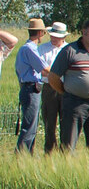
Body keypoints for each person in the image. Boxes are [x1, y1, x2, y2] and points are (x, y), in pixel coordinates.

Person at [48, 18, 89, 154]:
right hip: (74, 104)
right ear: (84, 32)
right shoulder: (69, 51)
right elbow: (53, 77)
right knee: (68, 144)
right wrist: (66, 92)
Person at [15, 19, 51, 153]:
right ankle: (23, 155)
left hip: (27, 87)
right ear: (41, 33)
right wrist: (59, 77)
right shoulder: (30, 49)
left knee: (30, 124)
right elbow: (44, 69)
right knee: (30, 126)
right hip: (32, 88)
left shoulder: (24, 48)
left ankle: (26, 154)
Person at [38, 22, 68, 154]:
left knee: (66, 120)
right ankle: (49, 150)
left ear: (63, 37)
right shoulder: (42, 49)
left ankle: (65, 150)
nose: (53, 38)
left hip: (65, 87)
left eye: (56, 36)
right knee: (49, 121)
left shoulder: (68, 49)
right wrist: (55, 74)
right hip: (48, 87)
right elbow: (41, 70)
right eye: (52, 35)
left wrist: (52, 72)